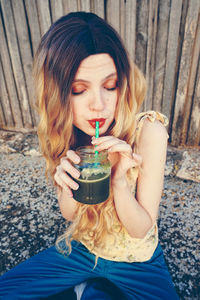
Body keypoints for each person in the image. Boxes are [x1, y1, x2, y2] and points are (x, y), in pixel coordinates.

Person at [0, 12, 179, 299]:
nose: (99, 105)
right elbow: (71, 214)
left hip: (137, 261)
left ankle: (91, 290)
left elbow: (141, 229)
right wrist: (66, 187)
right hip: (84, 249)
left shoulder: (148, 132)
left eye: (110, 86)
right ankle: (92, 287)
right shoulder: (66, 133)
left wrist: (120, 183)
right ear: (57, 94)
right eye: (78, 90)